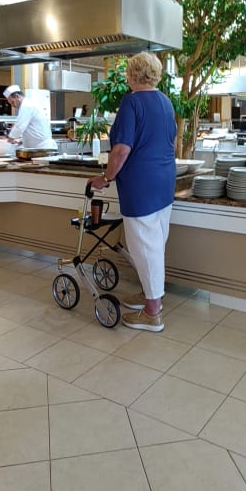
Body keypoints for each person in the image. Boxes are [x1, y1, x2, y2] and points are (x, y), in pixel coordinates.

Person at [90, 52, 176, 333]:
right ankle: (151, 296)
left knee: (145, 248)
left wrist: (106, 177)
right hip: (164, 182)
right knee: (155, 244)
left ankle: (152, 313)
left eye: (127, 72)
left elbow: (121, 149)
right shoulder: (165, 102)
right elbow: (172, 142)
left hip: (141, 186)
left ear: (132, 75)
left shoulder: (132, 102)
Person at [3, 85, 57, 150]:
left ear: (17, 96)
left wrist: (10, 139)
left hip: (42, 148)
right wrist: (22, 140)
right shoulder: (26, 105)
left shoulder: (27, 105)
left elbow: (20, 126)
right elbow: (31, 128)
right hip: (36, 148)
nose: (12, 106)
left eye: (12, 102)